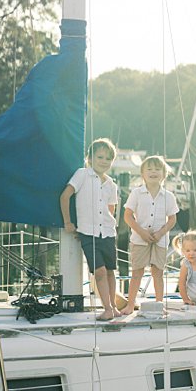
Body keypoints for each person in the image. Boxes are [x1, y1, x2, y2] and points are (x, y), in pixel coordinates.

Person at [59, 137, 120, 320]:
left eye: (108, 158)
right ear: (90, 158)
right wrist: (68, 222)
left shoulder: (111, 184)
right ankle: (107, 308)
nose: (104, 161)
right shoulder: (82, 174)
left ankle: (114, 307)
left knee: (110, 271)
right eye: (100, 157)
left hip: (108, 233)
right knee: (99, 272)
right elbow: (65, 196)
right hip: (88, 233)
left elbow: (111, 209)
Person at [120, 155, 178, 315]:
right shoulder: (137, 193)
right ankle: (130, 304)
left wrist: (160, 233)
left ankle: (160, 304)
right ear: (143, 174)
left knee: (158, 273)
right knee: (137, 272)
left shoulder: (169, 196)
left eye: (157, 169)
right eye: (149, 169)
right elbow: (128, 215)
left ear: (164, 174)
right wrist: (142, 232)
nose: (153, 172)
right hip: (139, 239)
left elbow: (172, 219)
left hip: (160, 240)